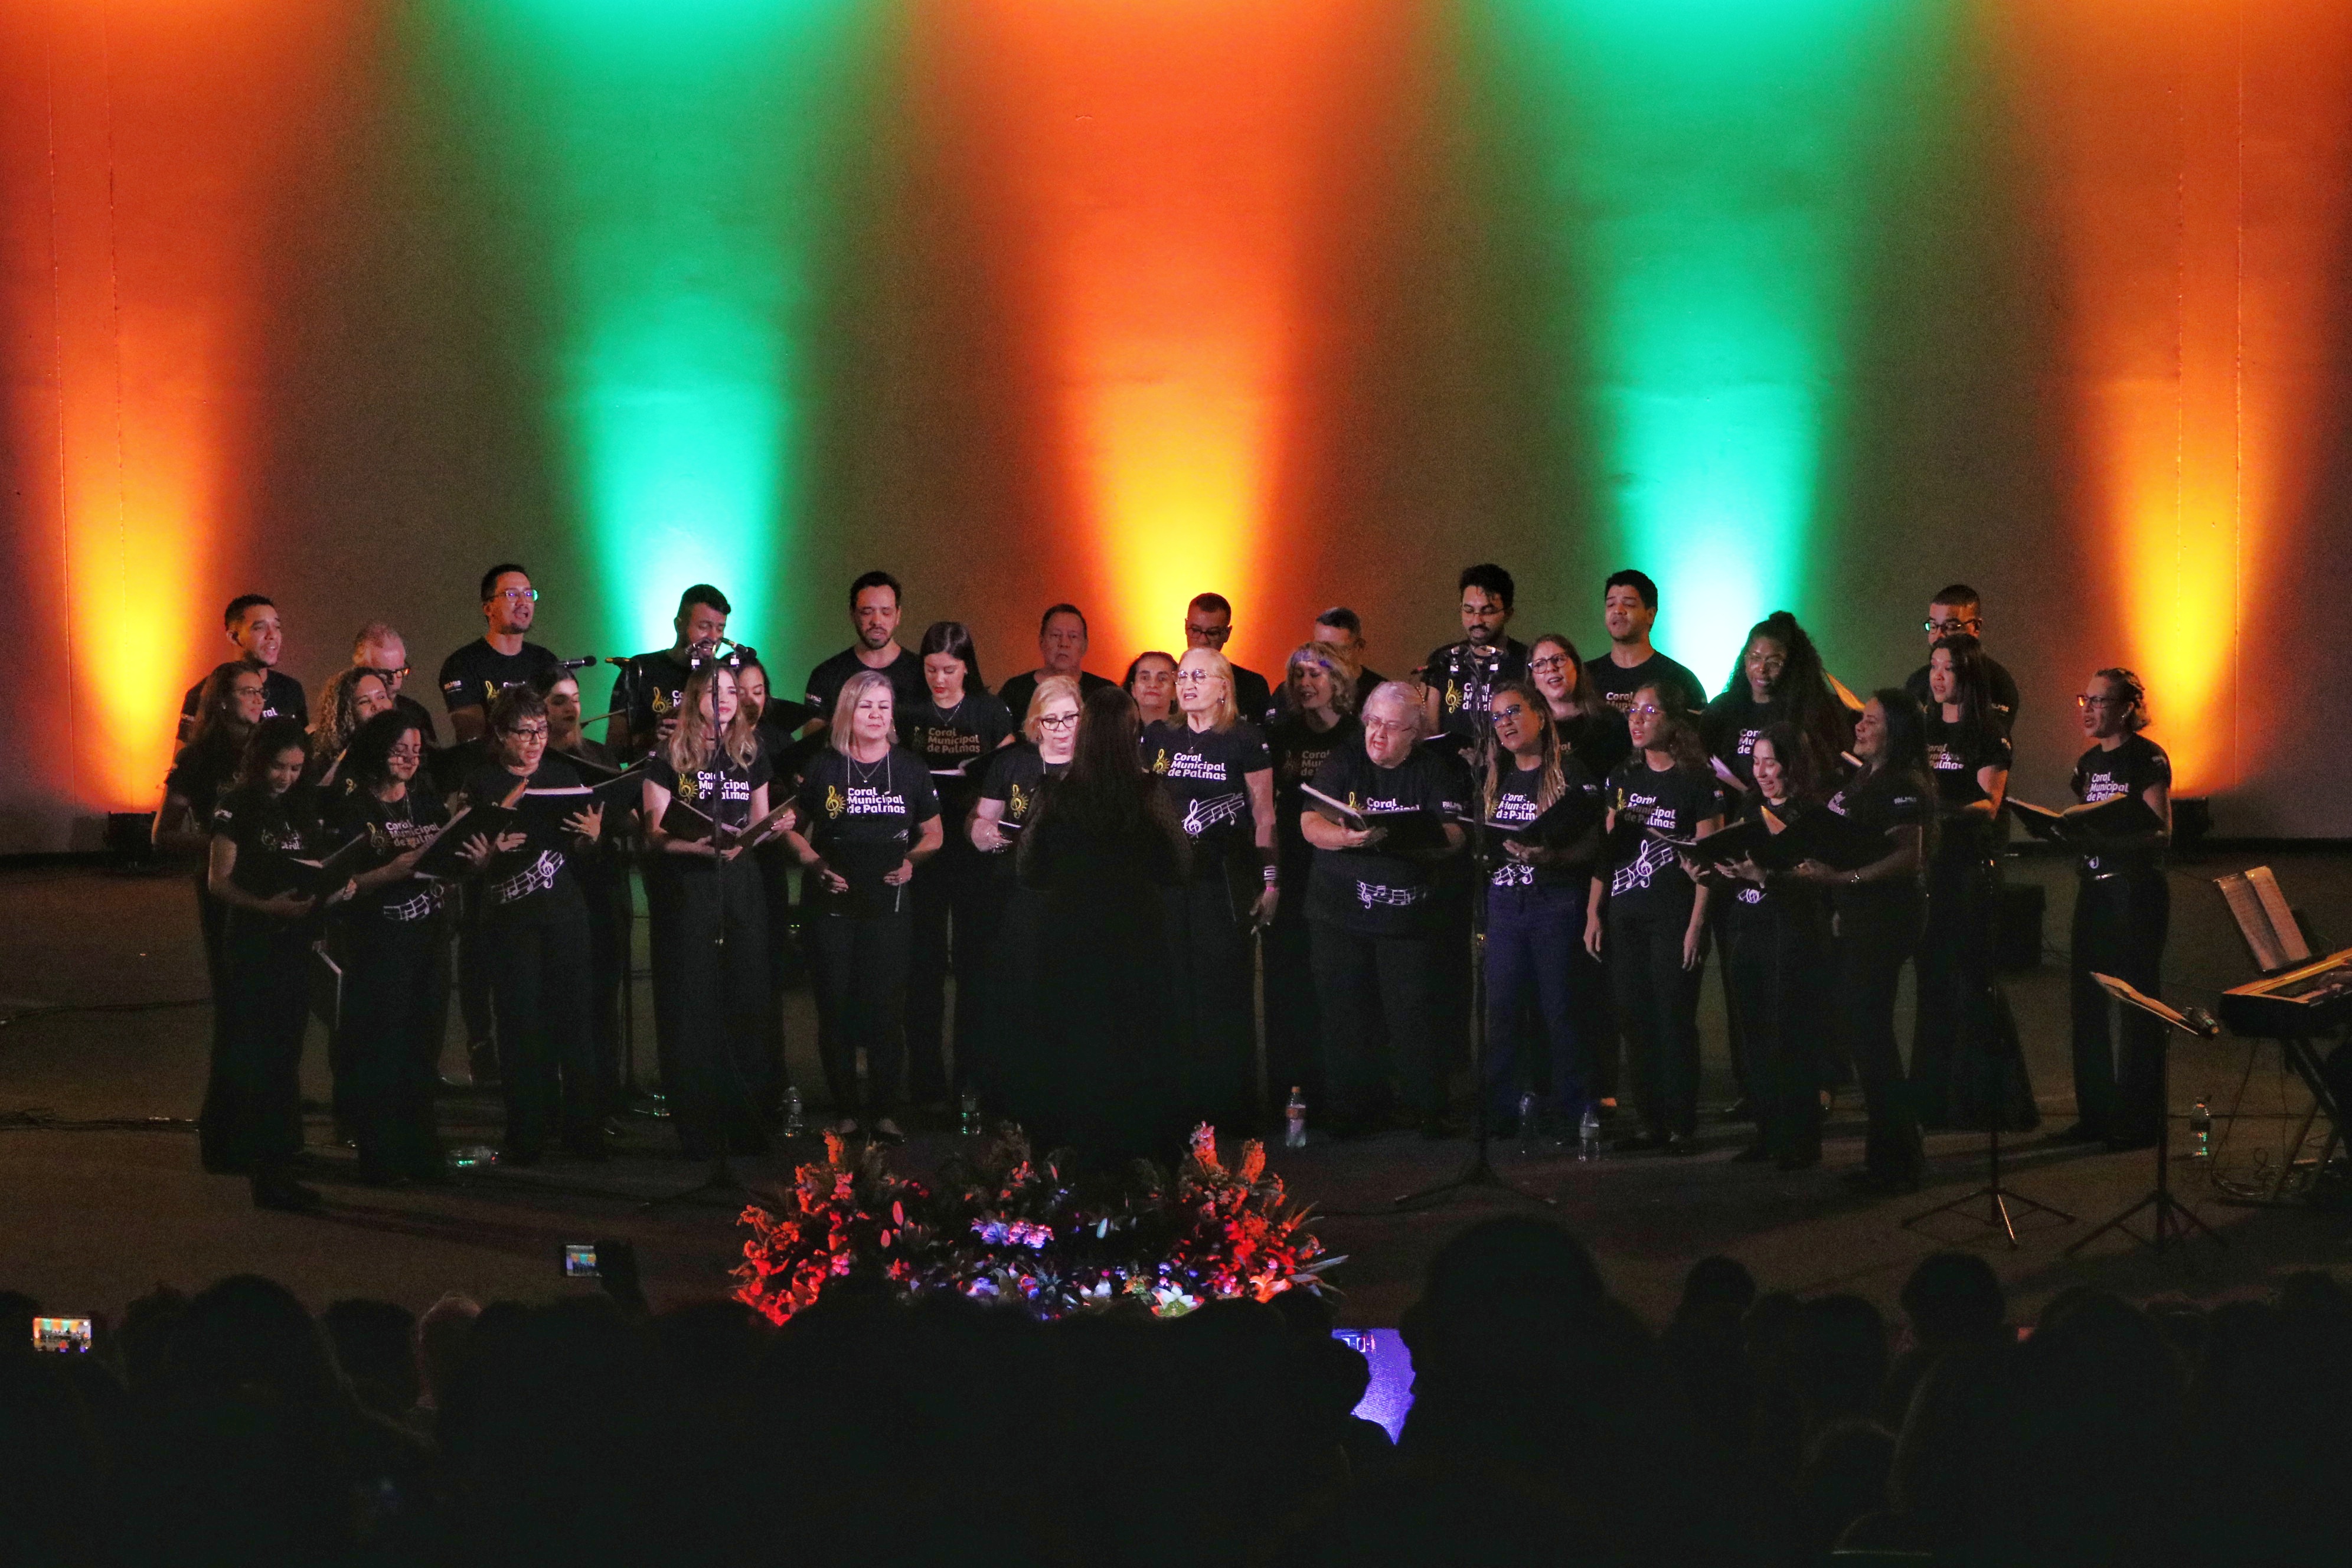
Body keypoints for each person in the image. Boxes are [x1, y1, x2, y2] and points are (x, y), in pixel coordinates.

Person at [1012, 682, 1190, 1158]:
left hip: (1069, 931)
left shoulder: (1054, 793)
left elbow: (1026, 869)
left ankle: (1067, 1144)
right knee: (1136, 1038)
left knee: (1071, 1036)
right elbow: (1181, 867)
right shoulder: (1150, 792)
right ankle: (1139, 1146)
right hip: (1135, 930)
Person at [1301, 682, 1468, 1138]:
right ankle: (1350, 1113)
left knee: (1413, 1015)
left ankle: (1426, 1111)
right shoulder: (1346, 759)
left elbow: (1454, 835)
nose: (1377, 735)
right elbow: (1310, 822)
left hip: (1405, 918)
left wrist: (1407, 838)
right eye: (1372, 722)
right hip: (1338, 913)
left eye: (1392, 728)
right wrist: (1345, 838)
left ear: (1414, 732)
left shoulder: (1432, 770)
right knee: (1344, 1017)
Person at [782, 670, 943, 1141]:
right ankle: (846, 1110)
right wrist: (812, 861)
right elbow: (790, 826)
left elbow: (935, 832)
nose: (876, 715)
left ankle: (885, 1110)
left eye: (884, 707)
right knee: (835, 1006)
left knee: (886, 1009)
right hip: (831, 903)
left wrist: (914, 861)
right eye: (867, 706)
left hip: (889, 903)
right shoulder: (823, 766)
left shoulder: (911, 767)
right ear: (847, 711)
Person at [201, 718, 352, 1209]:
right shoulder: (238, 805)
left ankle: (282, 1154)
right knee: (259, 1057)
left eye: (295, 768)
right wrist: (268, 907)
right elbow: (218, 882)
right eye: (278, 767)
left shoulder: (301, 804)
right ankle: (264, 1171)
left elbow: (314, 860)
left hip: (296, 940)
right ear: (257, 762)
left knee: (286, 1053)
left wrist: (334, 888)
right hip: (253, 943)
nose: (286, 777)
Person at [452, 686, 605, 1163]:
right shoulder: (480, 782)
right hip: (508, 919)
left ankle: (583, 1131)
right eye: (524, 732)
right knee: (520, 1025)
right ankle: (528, 1132)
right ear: (500, 734)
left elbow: (580, 851)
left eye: (541, 729)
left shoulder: (561, 775)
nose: (537, 739)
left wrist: (591, 837)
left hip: (564, 914)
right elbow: (465, 860)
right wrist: (487, 856)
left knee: (575, 1021)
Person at [1792, 690, 1932, 1194]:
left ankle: (1898, 1162)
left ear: (1895, 729)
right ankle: (1890, 1157)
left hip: (1885, 917)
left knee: (1871, 1036)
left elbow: (1907, 857)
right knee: (1864, 1033)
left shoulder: (1905, 784)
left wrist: (1844, 879)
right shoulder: (1862, 777)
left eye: (1871, 721)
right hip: (1857, 916)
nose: (1859, 727)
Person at [643, 661, 782, 1161]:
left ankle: (746, 1119)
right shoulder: (667, 755)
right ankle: (698, 1126)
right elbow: (655, 833)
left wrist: (769, 831)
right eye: (714, 690)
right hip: (691, 885)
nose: (724, 698)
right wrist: (699, 847)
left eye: (730, 690)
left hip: (741, 881)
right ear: (693, 697)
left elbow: (762, 820)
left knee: (746, 996)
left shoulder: (751, 751)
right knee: (694, 1002)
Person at [1587, 682, 1724, 1154]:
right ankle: (1649, 1123)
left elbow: (1709, 861)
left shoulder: (1696, 781)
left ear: (1673, 722)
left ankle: (1682, 1125)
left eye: (1650, 710)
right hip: (1626, 916)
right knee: (1634, 1019)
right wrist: (1594, 913)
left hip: (1674, 917)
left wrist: (1696, 926)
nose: (1637, 719)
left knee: (1673, 1019)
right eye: (1633, 711)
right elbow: (1606, 855)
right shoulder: (1622, 778)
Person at [1144, 648, 1278, 1130]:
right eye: (1183, 676)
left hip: (1224, 880)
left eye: (1200, 675)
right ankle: (1179, 1105)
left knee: (1223, 992)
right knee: (1173, 989)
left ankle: (1231, 1109)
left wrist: (1271, 878)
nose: (1187, 684)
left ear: (1224, 685)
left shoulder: (1245, 738)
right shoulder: (1159, 736)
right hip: (1169, 882)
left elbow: (1264, 815)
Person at [1912, 633, 2035, 1132]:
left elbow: (1990, 804)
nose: (1938, 677)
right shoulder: (1923, 727)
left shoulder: (1988, 732)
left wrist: (1940, 811)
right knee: (1931, 980)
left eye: (1949, 669)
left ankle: (1991, 1101)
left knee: (1973, 980)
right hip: (1930, 868)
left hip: (1968, 867)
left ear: (1968, 677)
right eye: (1934, 667)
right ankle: (1931, 1098)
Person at [325, 710, 450, 1185]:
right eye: (400, 750)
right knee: (383, 1050)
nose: (410, 760)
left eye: (416, 751)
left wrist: (474, 858)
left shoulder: (425, 801)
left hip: (430, 941)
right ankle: (381, 1157)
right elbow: (337, 885)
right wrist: (390, 873)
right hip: (378, 943)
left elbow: (449, 855)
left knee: (423, 1051)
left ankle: (423, 1152)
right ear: (378, 749)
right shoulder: (354, 807)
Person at [1481, 681, 1605, 1138]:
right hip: (1504, 904)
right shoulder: (1497, 774)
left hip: (1555, 903)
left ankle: (1576, 1112)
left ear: (1539, 714)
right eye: (1497, 717)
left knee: (1561, 1010)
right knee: (1504, 1012)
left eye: (1514, 712)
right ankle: (1503, 1112)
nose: (1506, 723)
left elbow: (1594, 845)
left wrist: (1552, 857)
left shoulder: (1569, 772)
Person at [1706, 724, 1831, 1168]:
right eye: (1756, 762)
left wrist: (1768, 877)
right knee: (1754, 1035)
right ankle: (1768, 1133)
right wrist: (1711, 868)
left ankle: (1800, 1141)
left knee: (1791, 1037)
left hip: (1792, 931)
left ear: (1792, 765)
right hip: (1747, 926)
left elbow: (1816, 875)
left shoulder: (1809, 812)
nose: (1761, 772)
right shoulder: (1750, 804)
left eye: (1771, 762)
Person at [901, 622, 1014, 1108]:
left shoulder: (990, 711)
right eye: (930, 669)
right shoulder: (910, 710)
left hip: (973, 845)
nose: (939, 679)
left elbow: (1009, 769)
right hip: (925, 844)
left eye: (949, 669)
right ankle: (926, 1079)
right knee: (923, 966)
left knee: (976, 965)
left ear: (967, 665)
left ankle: (974, 1077)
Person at [2058, 668, 2172, 1149]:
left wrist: (2110, 835)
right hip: (2095, 890)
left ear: (2127, 708)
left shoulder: (2146, 757)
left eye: (2101, 701)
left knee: (2135, 1004)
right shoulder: (2087, 763)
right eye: (2086, 698)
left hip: (2134, 892)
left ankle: (2139, 1120)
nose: (2089, 708)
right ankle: (2097, 1115)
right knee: (2087, 1003)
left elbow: (2161, 831)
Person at [969, 675, 1081, 1115]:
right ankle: (1016, 1096)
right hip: (1018, 895)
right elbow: (982, 820)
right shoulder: (1013, 764)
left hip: (1073, 901)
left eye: (1070, 717)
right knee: (1020, 997)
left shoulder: (1092, 766)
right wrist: (982, 832)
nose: (1060, 728)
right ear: (1035, 722)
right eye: (1050, 719)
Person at [1263, 645, 1360, 1121]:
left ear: (1337, 680)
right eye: (1296, 675)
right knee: (1288, 982)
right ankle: (1289, 1089)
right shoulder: (1280, 734)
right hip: (1292, 867)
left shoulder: (1356, 734)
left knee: (1336, 983)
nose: (1305, 683)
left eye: (1315, 674)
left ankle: (1342, 1093)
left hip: (1340, 870)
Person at [536, 666, 638, 1121]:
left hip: (602, 889)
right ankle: (560, 1101)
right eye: (558, 700)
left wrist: (612, 823)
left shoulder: (598, 754)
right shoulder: (536, 762)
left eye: (575, 698)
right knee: (555, 1001)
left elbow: (628, 816)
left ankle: (605, 1100)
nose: (571, 708)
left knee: (603, 999)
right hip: (554, 892)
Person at [156, 664, 267, 1031]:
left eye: (260, 692)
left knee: (275, 992)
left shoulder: (270, 752)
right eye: (246, 692)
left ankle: (276, 1089)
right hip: (224, 880)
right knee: (233, 988)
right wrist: (225, 843)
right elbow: (163, 835)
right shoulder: (198, 759)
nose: (258, 699)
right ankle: (232, 1088)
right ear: (221, 701)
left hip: (272, 876)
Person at [1701, 612, 1851, 797]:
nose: (1762, 669)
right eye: (1755, 658)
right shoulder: (1722, 709)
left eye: (1774, 663)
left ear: (1792, 666)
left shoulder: (1811, 712)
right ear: (1745, 659)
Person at [439, 563, 564, 744]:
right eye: (512, 594)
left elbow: (558, 724)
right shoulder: (462, 664)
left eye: (529, 594)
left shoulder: (545, 661)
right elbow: (471, 733)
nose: (523, 602)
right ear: (488, 608)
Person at [610, 584, 732, 760]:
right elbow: (615, 750)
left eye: (720, 629)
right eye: (704, 627)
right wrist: (653, 737)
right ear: (679, 625)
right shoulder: (642, 669)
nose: (713, 638)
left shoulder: (723, 676)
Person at [802, 570, 929, 739]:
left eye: (886, 612)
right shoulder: (827, 674)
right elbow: (812, 742)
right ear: (852, 614)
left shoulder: (923, 673)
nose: (877, 621)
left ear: (898, 615)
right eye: (867, 611)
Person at [1422, 563, 1528, 747]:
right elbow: (1430, 730)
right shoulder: (1443, 659)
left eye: (1487, 612)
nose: (1476, 621)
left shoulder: (1525, 660)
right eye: (1469, 611)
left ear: (1508, 614)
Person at [177, 594, 306, 743]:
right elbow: (183, 762)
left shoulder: (290, 690)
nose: (272, 635)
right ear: (233, 637)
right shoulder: (205, 693)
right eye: (260, 628)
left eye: (277, 627)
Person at [1583, 570, 1707, 718]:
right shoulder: (1584, 677)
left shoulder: (1679, 679)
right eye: (1611, 605)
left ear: (1650, 615)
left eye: (1629, 604)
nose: (1618, 611)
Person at [1904, 584, 2020, 725]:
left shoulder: (1997, 683)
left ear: (1976, 628)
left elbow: (1990, 742)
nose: (1939, 636)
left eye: (1951, 627)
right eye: (1933, 626)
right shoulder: (1918, 683)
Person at [998, 603, 1116, 722]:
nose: (1064, 643)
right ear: (1042, 642)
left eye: (1073, 637)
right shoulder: (1015, 691)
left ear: (1085, 645)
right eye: (1056, 635)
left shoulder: (1105, 693)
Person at [1184, 592, 1274, 724]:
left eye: (1213, 633)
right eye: (1196, 630)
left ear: (1227, 634)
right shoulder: (1166, 681)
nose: (1203, 640)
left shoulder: (1253, 686)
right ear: (1186, 627)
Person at [352, 622, 439, 746]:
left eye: (400, 671)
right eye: (384, 673)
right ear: (360, 669)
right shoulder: (342, 720)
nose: (394, 681)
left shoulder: (416, 714)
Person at [308, 666, 394, 785]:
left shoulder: (403, 749)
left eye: (381, 697)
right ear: (347, 712)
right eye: (365, 701)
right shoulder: (329, 760)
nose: (377, 706)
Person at [1311, 606, 1386, 713]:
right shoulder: (1292, 692)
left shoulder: (1383, 696)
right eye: (1320, 648)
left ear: (1359, 647)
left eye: (1338, 650)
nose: (1327, 657)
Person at [1124, 651, 1178, 730]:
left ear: (1175, 691)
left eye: (1162, 679)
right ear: (1133, 689)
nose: (1153, 685)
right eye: (1145, 678)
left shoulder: (1189, 736)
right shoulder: (1119, 733)